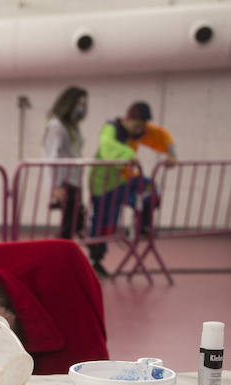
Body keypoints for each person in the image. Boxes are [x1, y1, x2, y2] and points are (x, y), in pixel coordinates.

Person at [87, 101, 178, 277]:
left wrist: (172, 155)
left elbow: (162, 136)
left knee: (149, 189)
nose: (139, 131)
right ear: (127, 119)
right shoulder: (112, 129)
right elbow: (107, 147)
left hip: (125, 179)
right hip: (104, 184)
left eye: (142, 127)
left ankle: (142, 225)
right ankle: (96, 260)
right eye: (136, 126)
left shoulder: (139, 131)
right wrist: (128, 155)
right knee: (102, 225)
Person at [43, 86, 87, 239]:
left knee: (75, 223)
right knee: (68, 228)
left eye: (83, 104)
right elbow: (52, 156)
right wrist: (56, 185)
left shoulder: (73, 127)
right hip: (65, 181)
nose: (81, 108)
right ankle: (56, 258)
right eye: (78, 103)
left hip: (75, 180)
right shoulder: (56, 126)